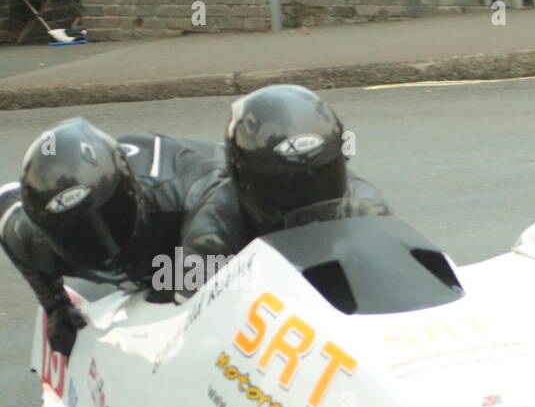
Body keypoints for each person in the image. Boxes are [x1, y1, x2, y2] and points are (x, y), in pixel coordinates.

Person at [0, 118, 225, 356]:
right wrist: (55, 304)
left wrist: (184, 279)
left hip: (203, 233)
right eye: (74, 234)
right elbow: (5, 208)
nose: (95, 241)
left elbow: (246, 203)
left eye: (110, 217)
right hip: (152, 263)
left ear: (129, 193)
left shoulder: (192, 195)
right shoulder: (30, 238)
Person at [184, 84, 388, 258]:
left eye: (319, 178)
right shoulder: (213, 235)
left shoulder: (366, 210)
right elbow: (192, 303)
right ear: (240, 176)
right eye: (281, 184)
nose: (305, 196)